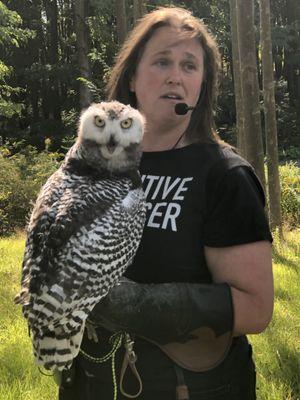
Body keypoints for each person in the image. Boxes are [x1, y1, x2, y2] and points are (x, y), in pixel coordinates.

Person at [58, 6, 274, 400]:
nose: (176, 75)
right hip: (91, 379)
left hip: (188, 388)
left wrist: (136, 304)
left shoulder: (224, 175)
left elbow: (256, 308)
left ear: (202, 85)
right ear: (133, 78)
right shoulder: (94, 165)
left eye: (190, 66)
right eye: (162, 61)